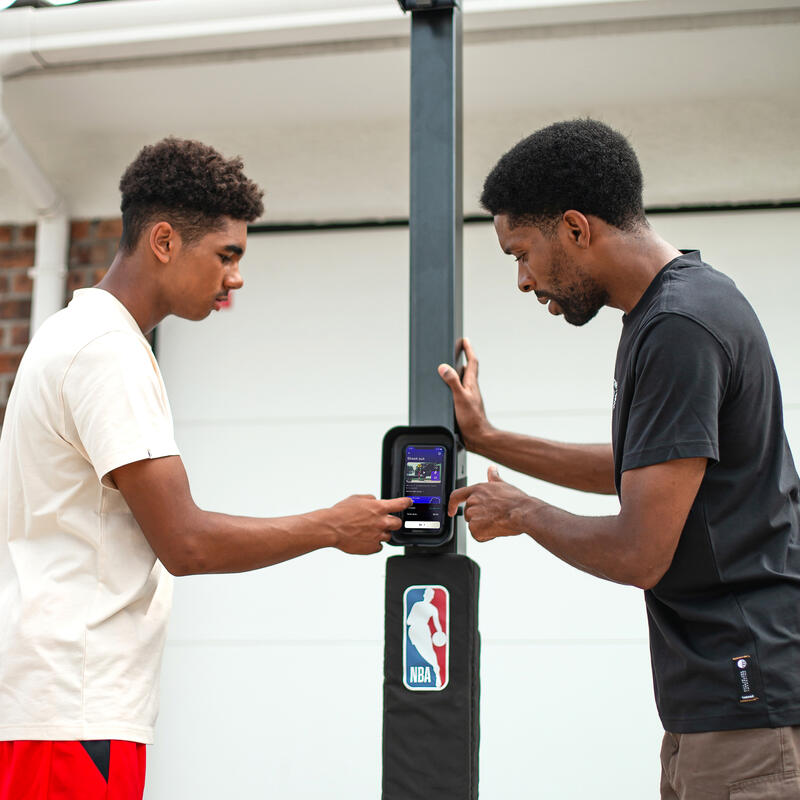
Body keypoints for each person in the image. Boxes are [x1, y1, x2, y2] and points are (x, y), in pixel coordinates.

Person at [0, 137, 411, 800]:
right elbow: (185, 541)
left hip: (53, 702)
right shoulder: (108, 351)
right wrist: (333, 526)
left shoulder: (73, 334)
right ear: (163, 240)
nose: (236, 276)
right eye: (227, 254)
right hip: (72, 711)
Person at [439, 119, 800, 799]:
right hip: (720, 705)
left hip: (747, 705)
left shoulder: (679, 327)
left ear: (576, 228)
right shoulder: (672, 311)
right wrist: (490, 440)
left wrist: (520, 510)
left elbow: (641, 552)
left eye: (521, 254)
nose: (522, 281)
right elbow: (646, 468)